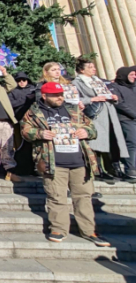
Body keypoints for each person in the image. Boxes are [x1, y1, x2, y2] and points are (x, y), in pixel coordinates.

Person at [21, 82, 110, 247]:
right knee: (56, 197)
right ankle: (58, 229)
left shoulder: (73, 110)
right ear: (45, 96)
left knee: (83, 197)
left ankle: (88, 230)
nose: (59, 97)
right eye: (55, 95)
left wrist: (86, 132)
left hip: (79, 160)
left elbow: (91, 128)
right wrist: (40, 133)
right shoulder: (34, 112)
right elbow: (25, 130)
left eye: (61, 94)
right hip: (53, 161)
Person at [73, 59, 129, 184]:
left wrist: (113, 98)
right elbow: (76, 99)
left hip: (109, 113)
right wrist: (92, 98)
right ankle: (98, 170)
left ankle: (115, 169)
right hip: (95, 115)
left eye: (94, 66)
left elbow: (108, 93)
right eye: (90, 67)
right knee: (97, 143)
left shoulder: (99, 81)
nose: (94, 69)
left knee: (113, 140)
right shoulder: (77, 82)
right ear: (82, 70)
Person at [8, 72, 37, 175]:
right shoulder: (12, 91)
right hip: (20, 120)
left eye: (24, 80)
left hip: (35, 121)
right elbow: (10, 104)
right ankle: (23, 169)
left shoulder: (34, 89)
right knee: (21, 146)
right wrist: (26, 99)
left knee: (34, 145)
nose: (21, 82)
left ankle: (35, 169)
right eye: (19, 80)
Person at [112, 66, 136, 182]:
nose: (134, 77)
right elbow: (119, 103)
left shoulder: (133, 87)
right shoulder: (115, 87)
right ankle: (131, 169)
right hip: (126, 119)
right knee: (132, 143)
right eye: (131, 75)